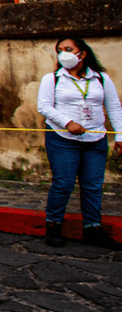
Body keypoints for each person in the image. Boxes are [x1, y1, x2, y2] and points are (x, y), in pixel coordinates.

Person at [37, 37, 122, 250]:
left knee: (93, 185)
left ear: (82, 53)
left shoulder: (101, 79)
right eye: (59, 50)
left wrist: (120, 135)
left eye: (68, 49)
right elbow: (44, 106)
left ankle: (92, 227)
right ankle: (54, 224)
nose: (63, 53)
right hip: (63, 138)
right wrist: (68, 123)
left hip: (95, 139)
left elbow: (114, 107)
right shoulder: (53, 79)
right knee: (63, 183)